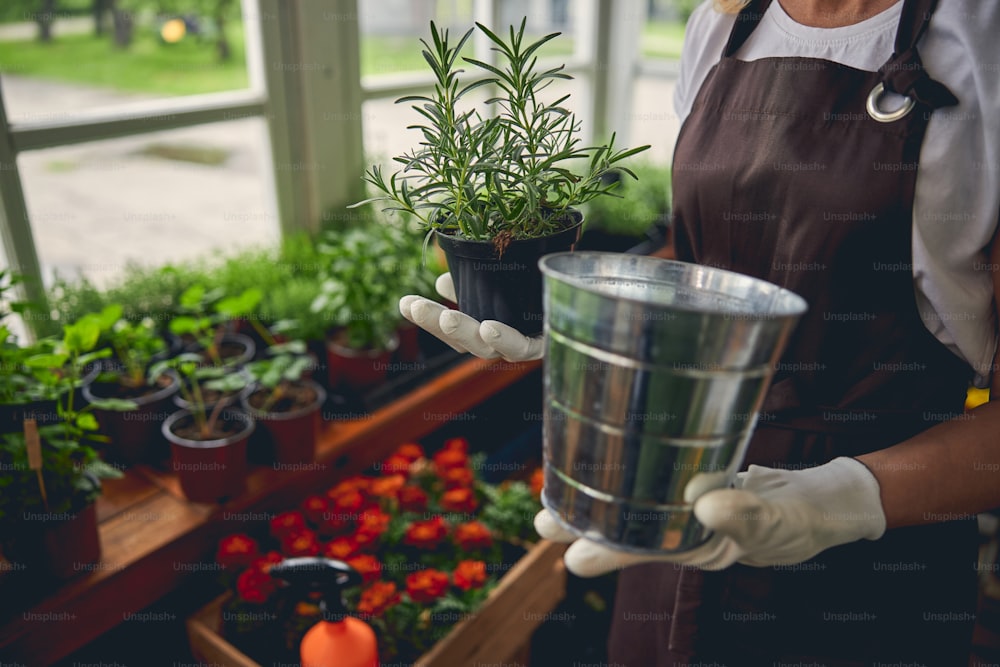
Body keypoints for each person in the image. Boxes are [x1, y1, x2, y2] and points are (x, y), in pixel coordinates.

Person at [400, 0, 1000, 663]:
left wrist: (844, 499)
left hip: (873, 556)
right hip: (670, 497)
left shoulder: (982, 37)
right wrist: (581, 315)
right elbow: (700, 276)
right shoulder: (724, 24)